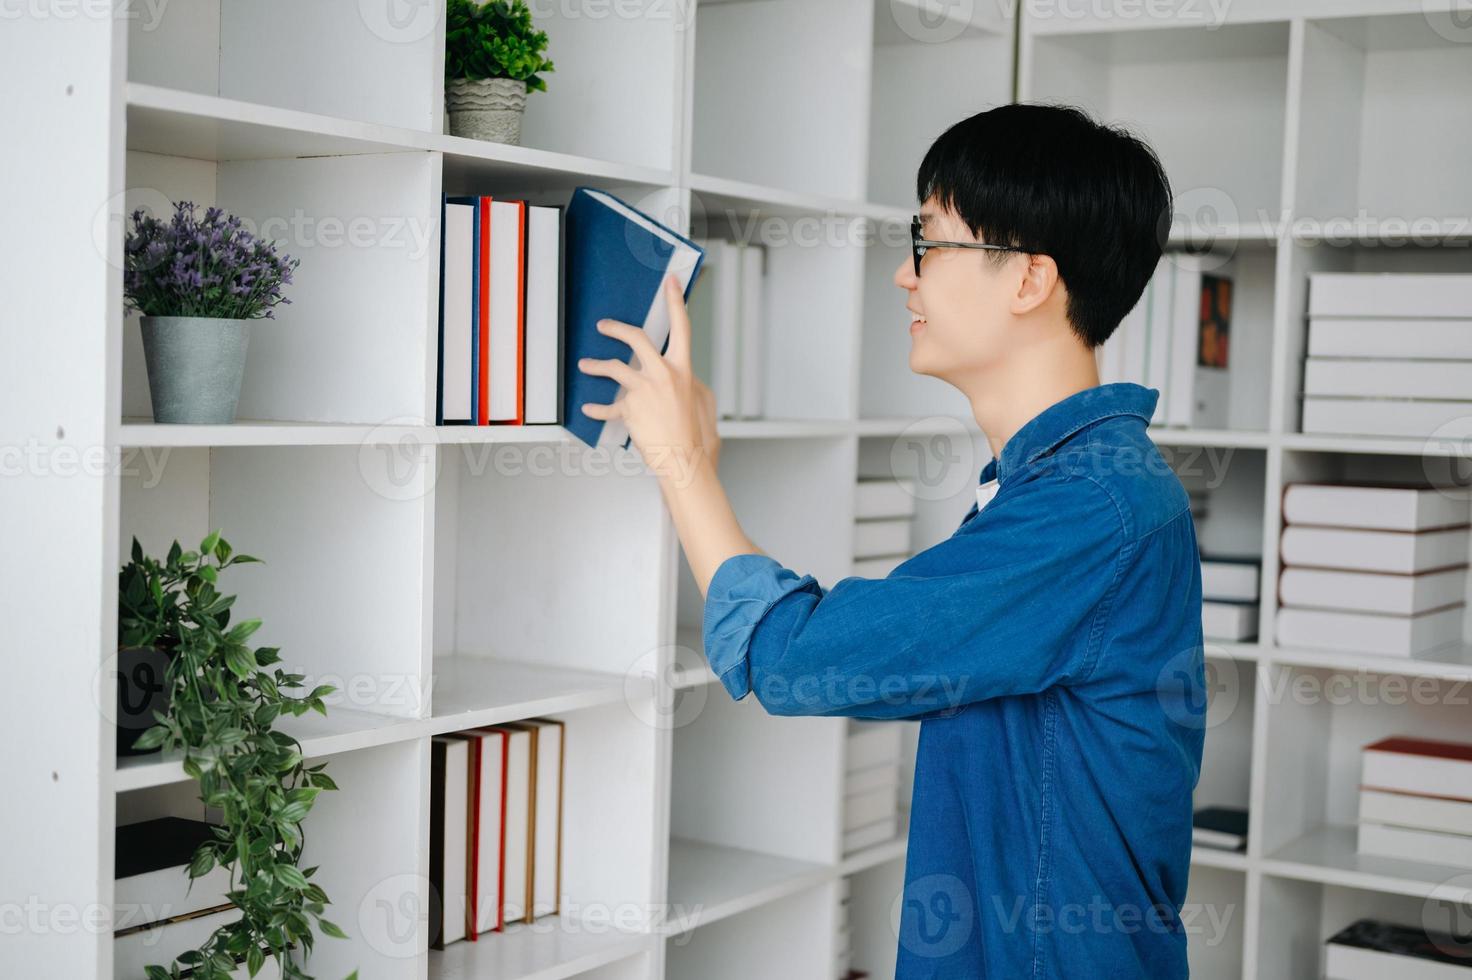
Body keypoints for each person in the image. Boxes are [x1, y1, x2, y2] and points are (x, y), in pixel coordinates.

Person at [577, 103, 1205, 979]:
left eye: (930, 243)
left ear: (1028, 280)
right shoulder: (1066, 486)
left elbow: (794, 655)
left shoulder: (1089, 509)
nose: (906, 279)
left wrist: (683, 464)